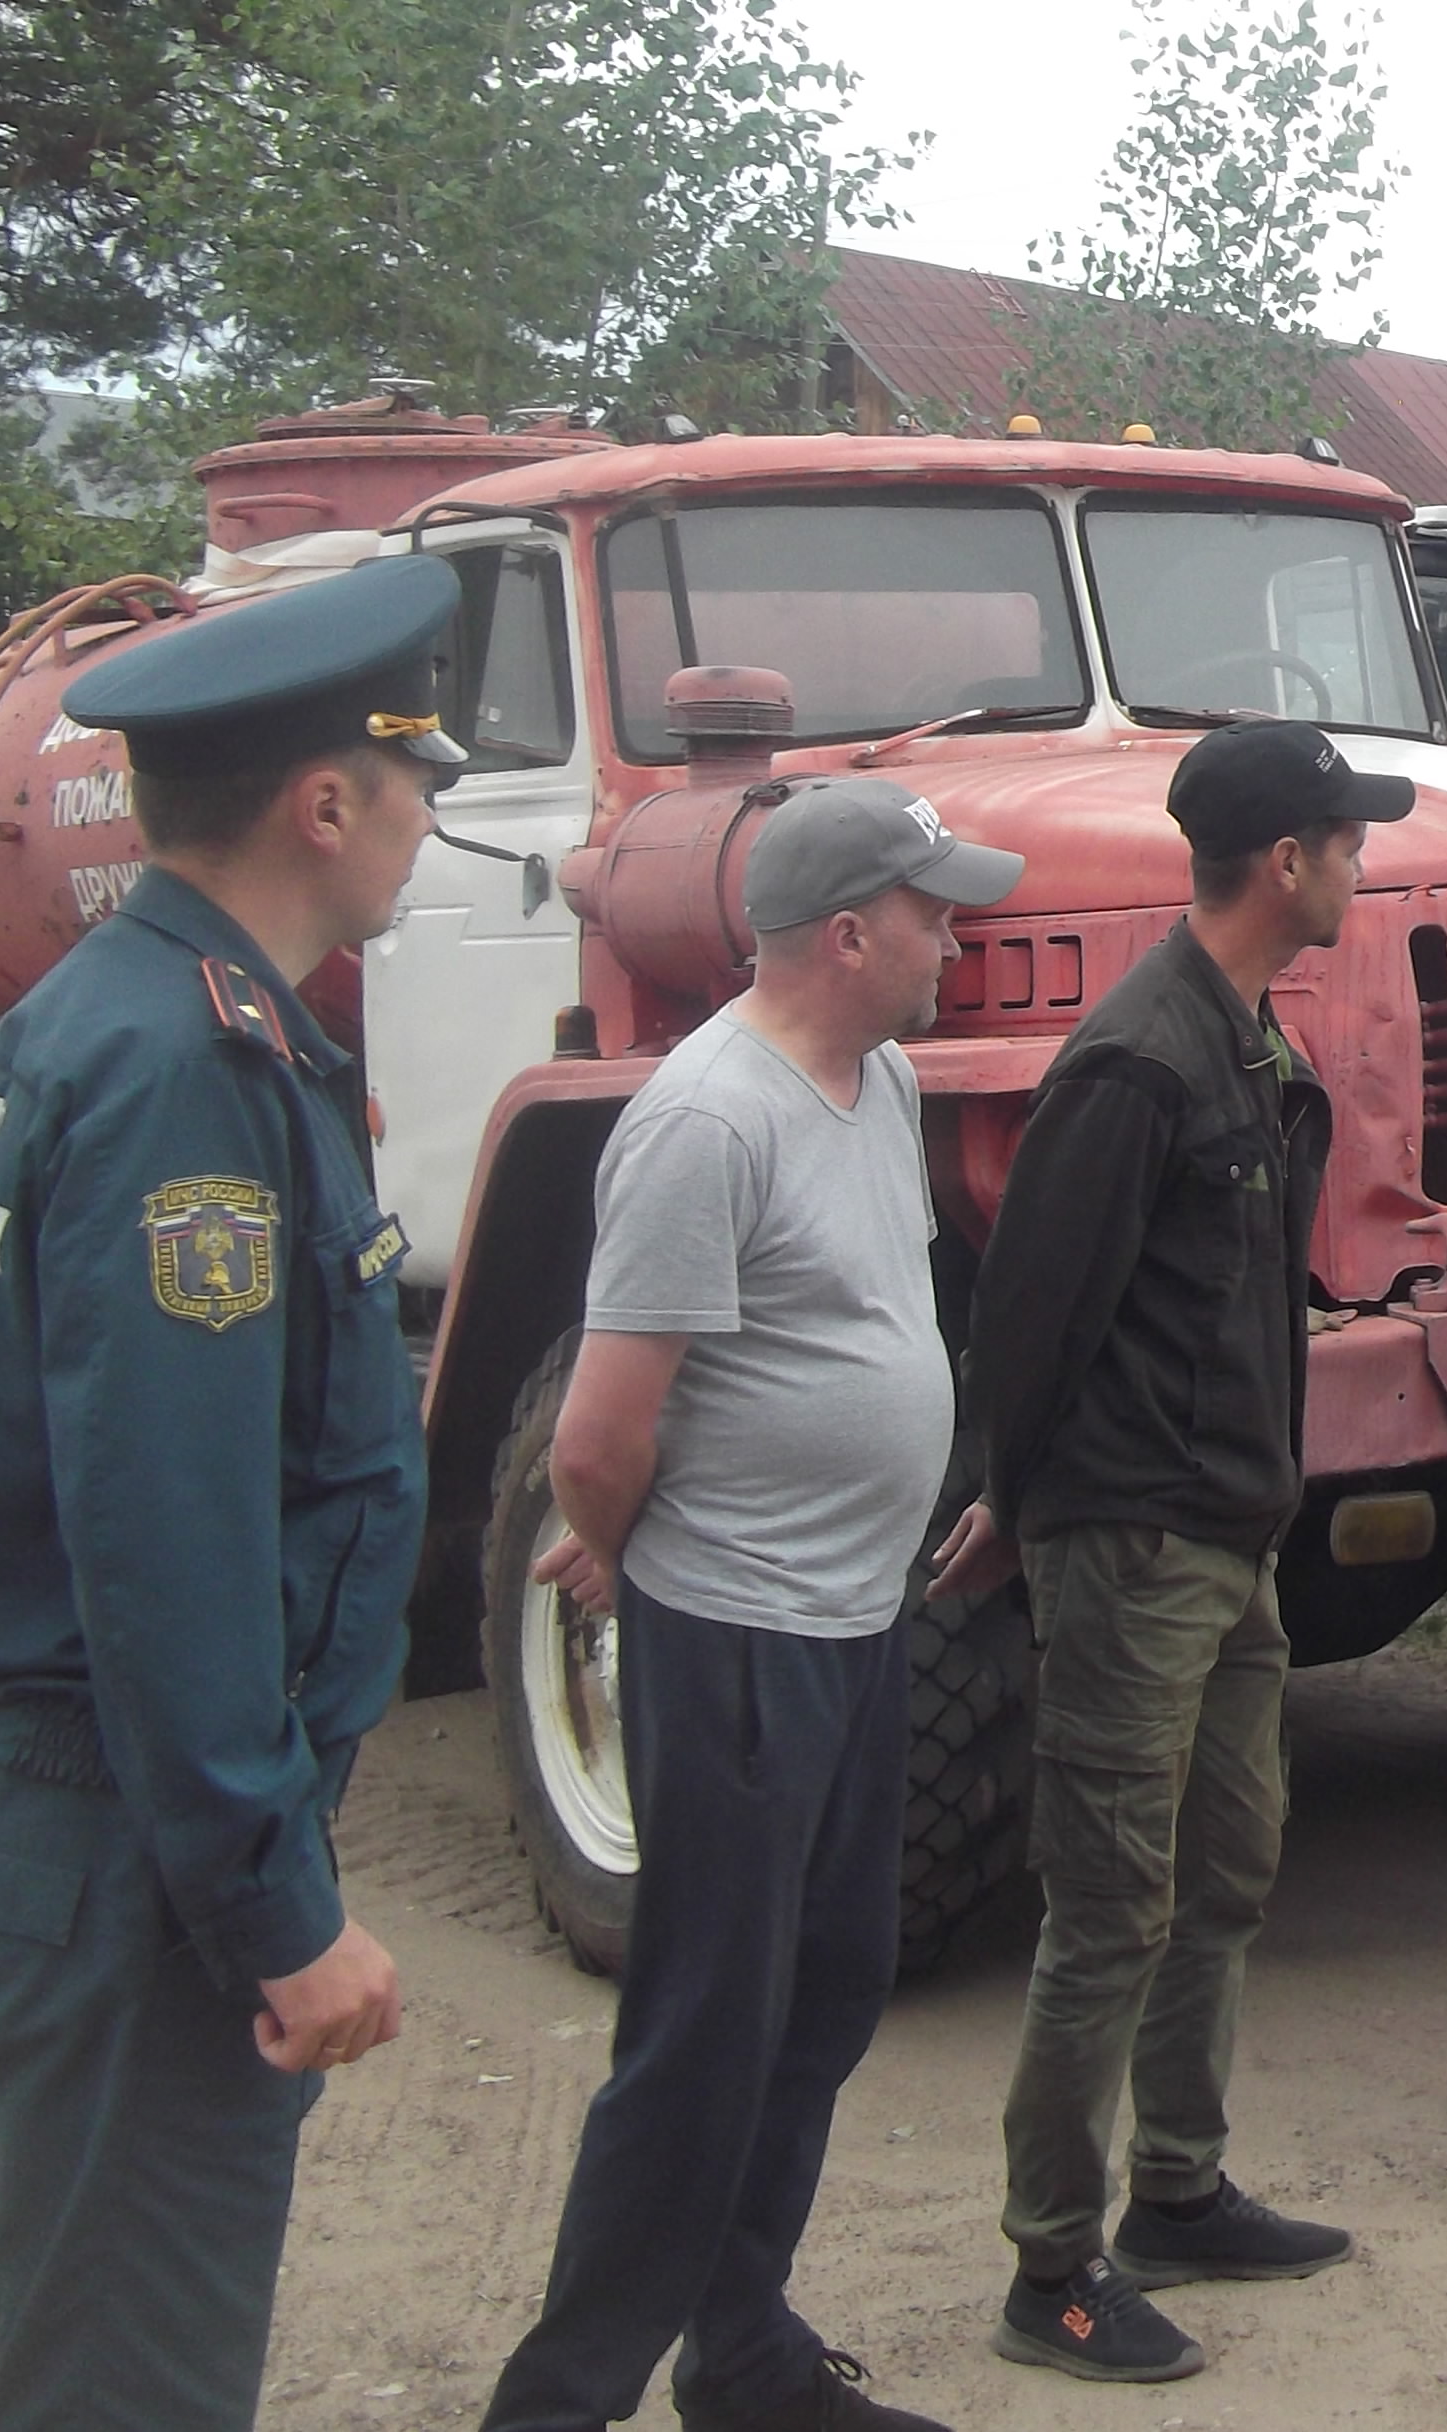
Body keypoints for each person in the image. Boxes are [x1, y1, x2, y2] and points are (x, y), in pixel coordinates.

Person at [0, 561, 457, 2432]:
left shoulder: (134, 1016)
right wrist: (274, 1908)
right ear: (328, 801)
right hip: (129, 1847)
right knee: (122, 2380)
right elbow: (170, 1533)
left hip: (93, 1823)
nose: (429, 817)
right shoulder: (178, 1070)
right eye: (416, 778)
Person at [483, 780, 1027, 2432]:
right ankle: (558, 2402)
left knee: (836, 1979)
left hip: (854, 1625)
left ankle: (744, 2355)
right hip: (734, 1641)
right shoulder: (705, 1119)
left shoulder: (874, 1086)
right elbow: (597, 1428)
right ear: (848, 930)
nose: (956, 935)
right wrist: (635, 1540)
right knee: (706, 2037)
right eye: (933, 911)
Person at [935, 724, 1410, 2384]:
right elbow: (1030, 1310)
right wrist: (1017, 1494)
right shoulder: (1138, 1061)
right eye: (1346, 839)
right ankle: (1049, 2269)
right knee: (1108, 1907)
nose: (1363, 861)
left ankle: (1179, 2191)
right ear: (1285, 863)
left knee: (1224, 1872)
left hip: (1227, 1535)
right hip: (1135, 1544)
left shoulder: (1239, 1039)